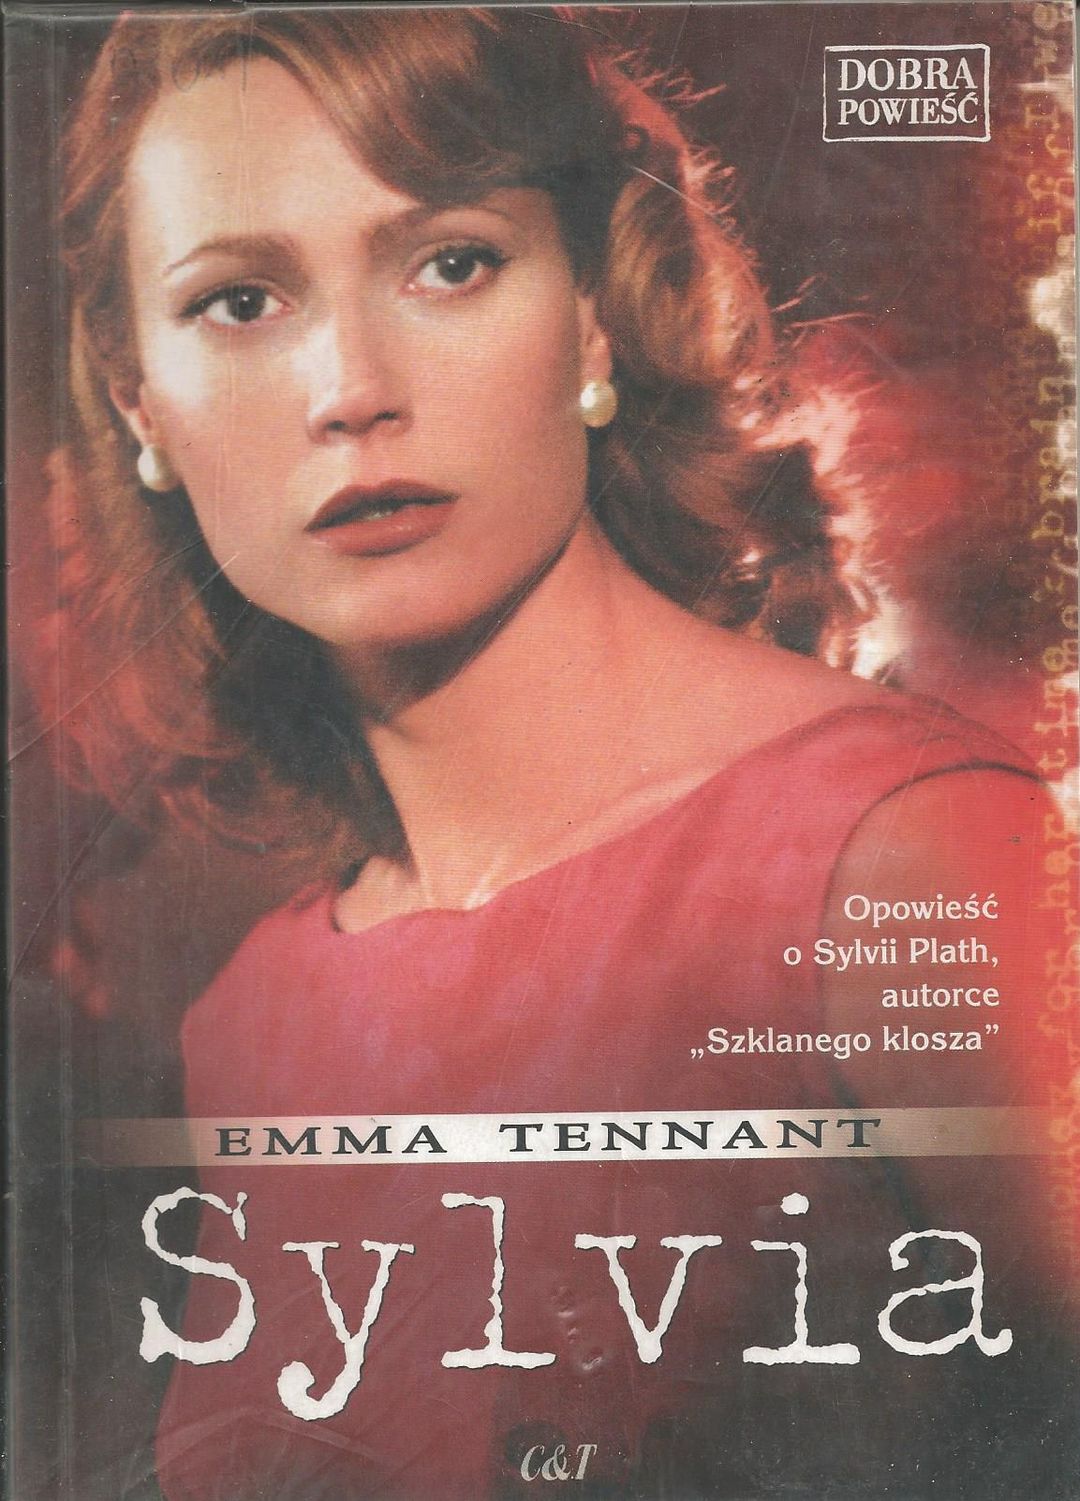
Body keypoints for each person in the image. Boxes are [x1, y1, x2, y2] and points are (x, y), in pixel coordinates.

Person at [55, 8, 1074, 1499]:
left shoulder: (905, 860)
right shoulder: (254, 1013)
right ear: (140, 401)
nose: (351, 388)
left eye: (451, 263)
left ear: (594, 312)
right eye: (239, 301)